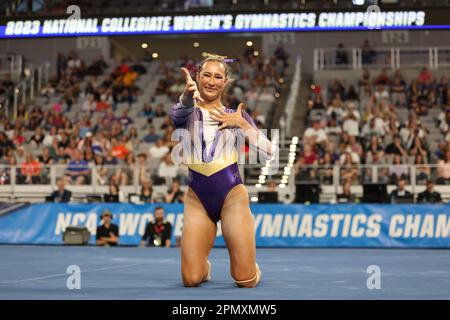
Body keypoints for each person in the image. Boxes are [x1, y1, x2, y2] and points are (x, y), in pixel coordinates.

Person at [170, 53, 273, 288]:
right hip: (197, 199)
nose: (211, 81)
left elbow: (269, 152)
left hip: (232, 197)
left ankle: (250, 266)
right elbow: (178, 113)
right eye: (206, 75)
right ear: (197, 77)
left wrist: (244, 125)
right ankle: (204, 268)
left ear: (225, 82)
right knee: (190, 279)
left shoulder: (235, 115)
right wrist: (186, 95)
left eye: (218, 77)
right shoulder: (187, 113)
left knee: (245, 280)